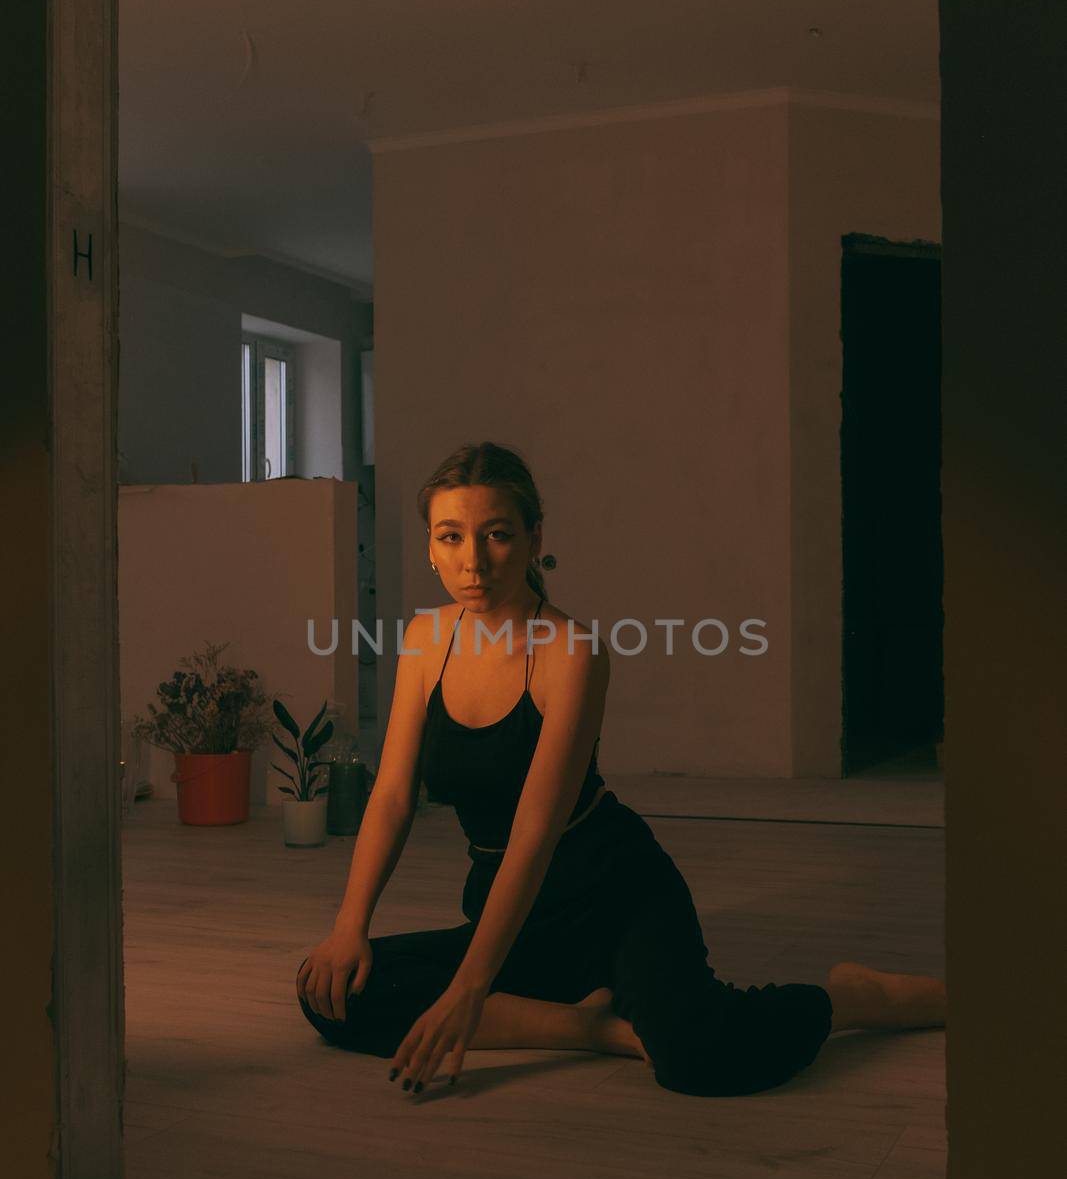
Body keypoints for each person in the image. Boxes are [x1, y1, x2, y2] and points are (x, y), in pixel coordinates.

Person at [295, 440, 946, 1099]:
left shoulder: (569, 652)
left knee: (697, 1059)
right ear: (430, 547)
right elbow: (393, 797)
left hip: (613, 893)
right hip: (510, 907)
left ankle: (855, 997)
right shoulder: (424, 639)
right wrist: (349, 927)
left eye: (496, 534)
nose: (473, 561)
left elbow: (535, 830)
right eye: (451, 537)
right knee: (329, 992)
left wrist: (469, 988)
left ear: (532, 537)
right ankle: (594, 1028)